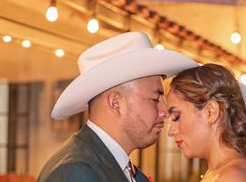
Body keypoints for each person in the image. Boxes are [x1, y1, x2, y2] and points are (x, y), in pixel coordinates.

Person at [38, 31, 197, 182]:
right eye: (155, 99)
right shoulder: (76, 172)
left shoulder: (116, 166)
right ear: (115, 103)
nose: (165, 112)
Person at [167, 64, 246, 182]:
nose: (171, 131)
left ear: (210, 112)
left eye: (176, 117)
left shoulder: (233, 176)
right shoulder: (224, 171)